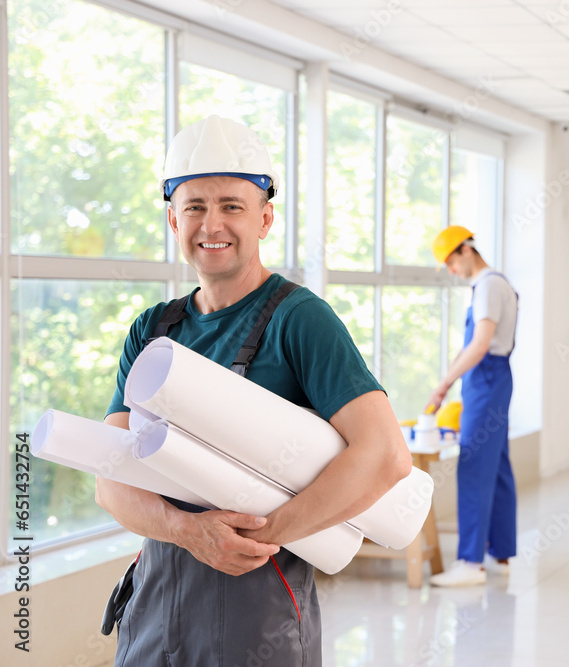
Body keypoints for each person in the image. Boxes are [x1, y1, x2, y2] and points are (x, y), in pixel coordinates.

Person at [95, 115, 412, 666]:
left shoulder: (300, 319)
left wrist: (258, 537)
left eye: (231, 206)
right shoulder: (153, 329)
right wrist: (190, 533)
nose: (211, 223)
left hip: (257, 605)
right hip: (157, 597)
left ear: (265, 218)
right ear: (173, 219)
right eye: (194, 206)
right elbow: (110, 475)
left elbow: (385, 454)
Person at [425, 226, 518, 587]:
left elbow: (480, 345)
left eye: (450, 262)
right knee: (497, 466)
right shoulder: (495, 284)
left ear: (466, 250)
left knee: (475, 465)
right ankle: (501, 552)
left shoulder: (489, 285)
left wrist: (443, 384)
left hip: (487, 377)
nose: (452, 271)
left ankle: (470, 563)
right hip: (492, 378)